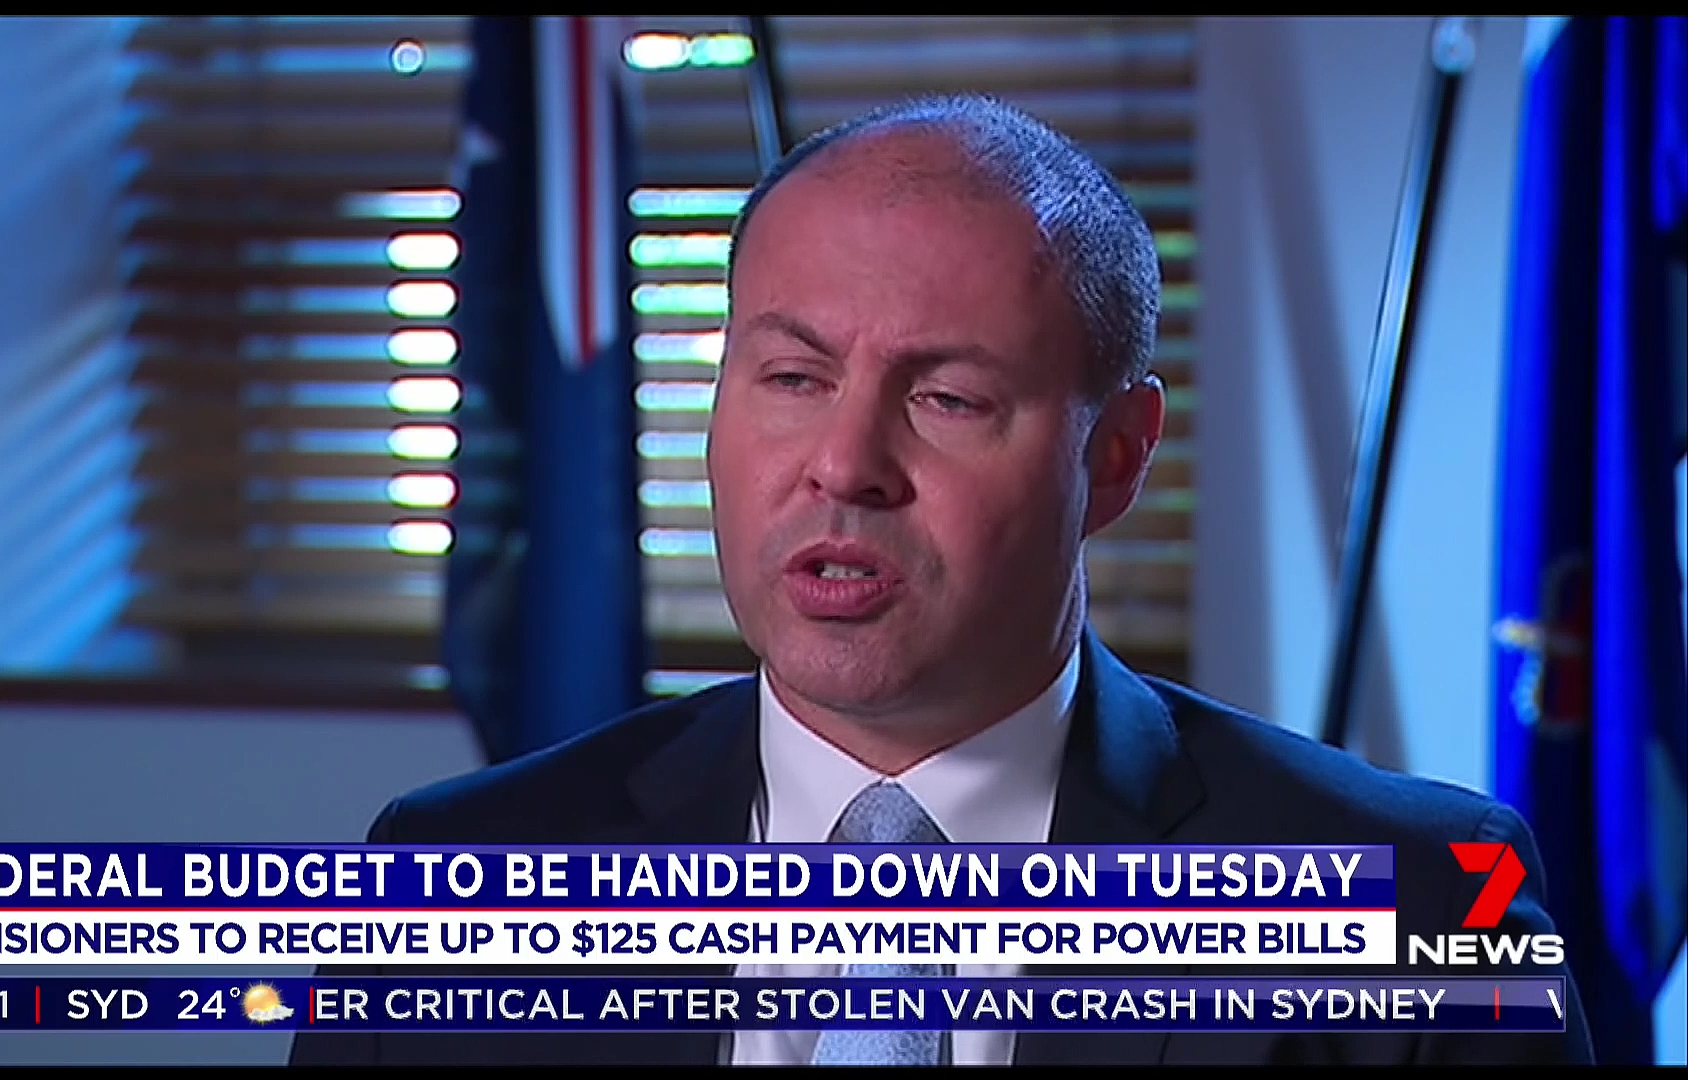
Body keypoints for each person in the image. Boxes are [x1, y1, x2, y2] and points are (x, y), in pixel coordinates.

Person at [289, 93, 1594, 1066]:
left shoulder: (1431, 906)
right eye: (792, 378)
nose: (845, 466)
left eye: (950, 398)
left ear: (1117, 455)